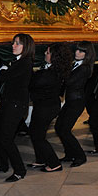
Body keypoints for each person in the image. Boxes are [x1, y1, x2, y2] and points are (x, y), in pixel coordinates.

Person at [0, 33, 34, 182]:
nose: (13, 46)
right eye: (13, 43)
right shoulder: (18, 61)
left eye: (17, 43)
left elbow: (4, 77)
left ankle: (20, 170)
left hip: (16, 104)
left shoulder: (25, 62)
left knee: (6, 138)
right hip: (8, 102)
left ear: (25, 46)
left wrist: (2, 70)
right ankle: (1, 165)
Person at [29, 43, 72, 172]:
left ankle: (54, 163)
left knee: (37, 135)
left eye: (48, 53)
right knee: (35, 132)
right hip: (46, 105)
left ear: (55, 56)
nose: (45, 54)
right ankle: (41, 159)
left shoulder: (49, 73)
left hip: (46, 107)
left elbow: (33, 84)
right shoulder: (56, 70)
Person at [56, 41, 95, 167]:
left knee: (65, 129)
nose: (77, 53)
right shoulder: (76, 64)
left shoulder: (84, 67)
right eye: (77, 50)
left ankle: (80, 156)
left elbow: (69, 81)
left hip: (76, 102)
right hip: (71, 101)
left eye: (81, 51)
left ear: (87, 53)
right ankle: (69, 154)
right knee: (59, 127)